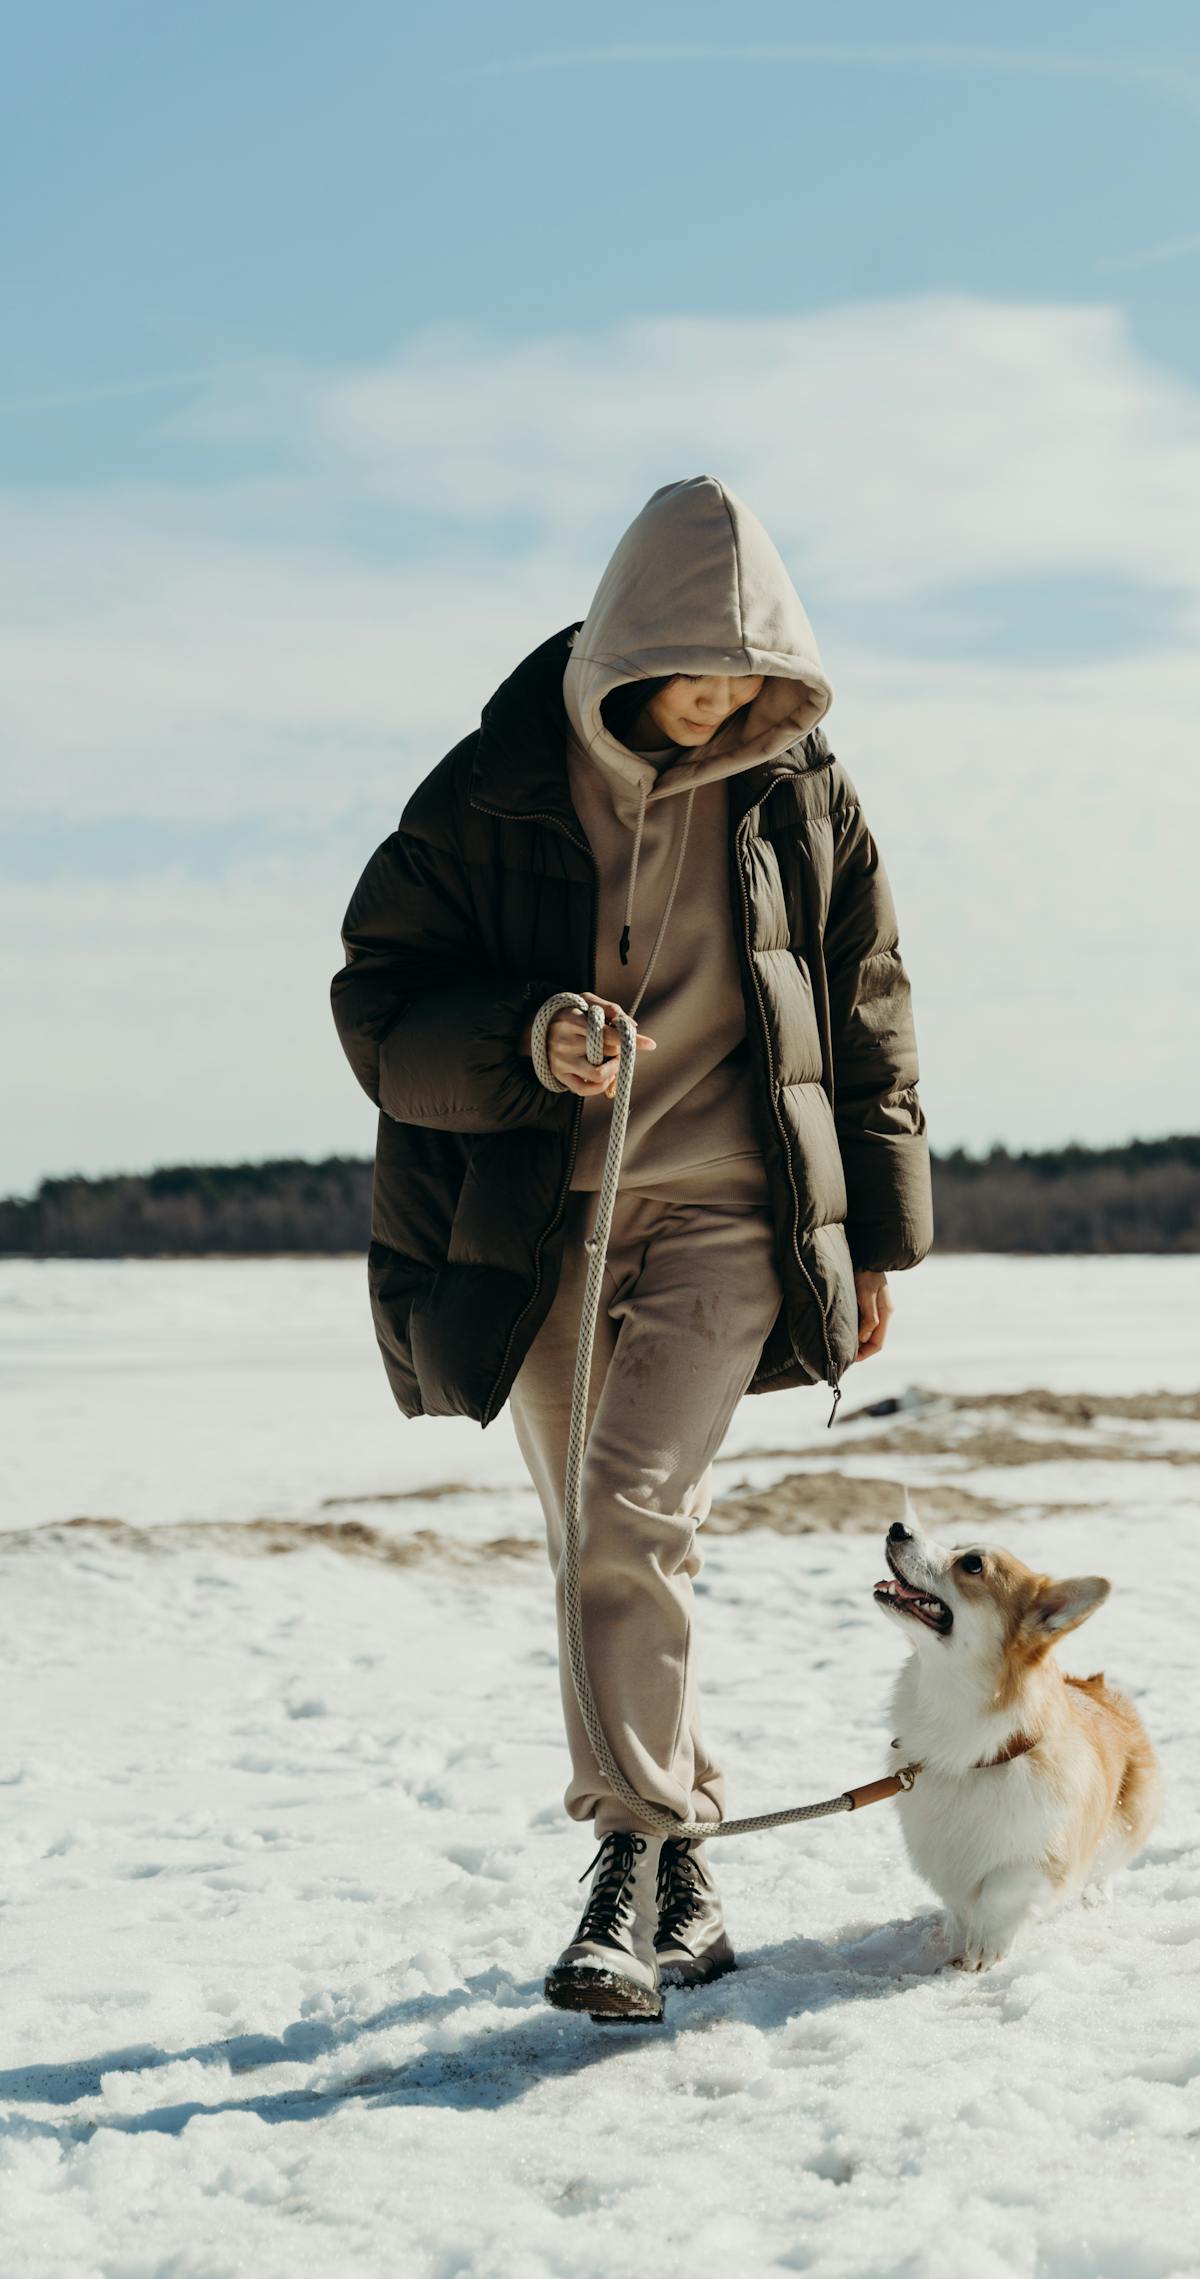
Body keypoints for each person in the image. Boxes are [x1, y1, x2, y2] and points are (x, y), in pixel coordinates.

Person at [330, 475, 931, 2020]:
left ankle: (630, 1859)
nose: (720, 714)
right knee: (600, 1551)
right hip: (537, 1233)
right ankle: (687, 1875)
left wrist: (878, 1239)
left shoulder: (802, 793)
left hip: (731, 1215)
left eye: (750, 688)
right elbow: (380, 1006)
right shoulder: (490, 791)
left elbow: (865, 1006)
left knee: (631, 1520)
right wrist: (531, 1041)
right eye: (692, 685)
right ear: (621, 657)